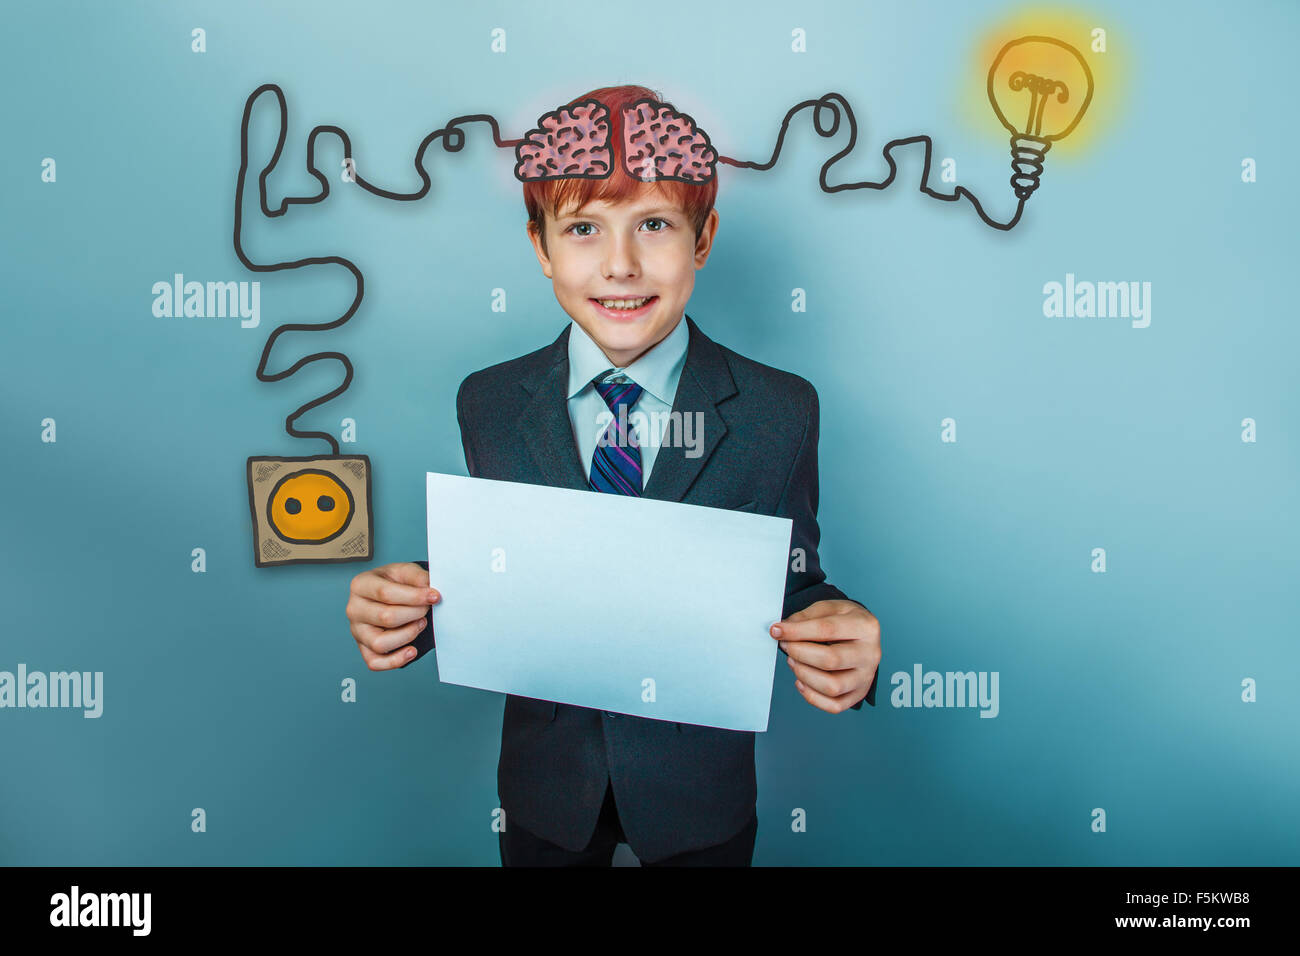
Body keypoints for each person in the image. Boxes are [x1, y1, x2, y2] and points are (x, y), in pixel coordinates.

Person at [345, 84, 882, 866]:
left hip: (698, 794)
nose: (621, 266)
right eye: (585, 229)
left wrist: (844, 635)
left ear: (703, 239)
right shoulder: (490, 403)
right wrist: (411, 609)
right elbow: (509, 569)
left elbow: (793, 581)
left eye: (655, 225)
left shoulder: (781, 410)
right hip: (546, 790)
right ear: (541, 247)